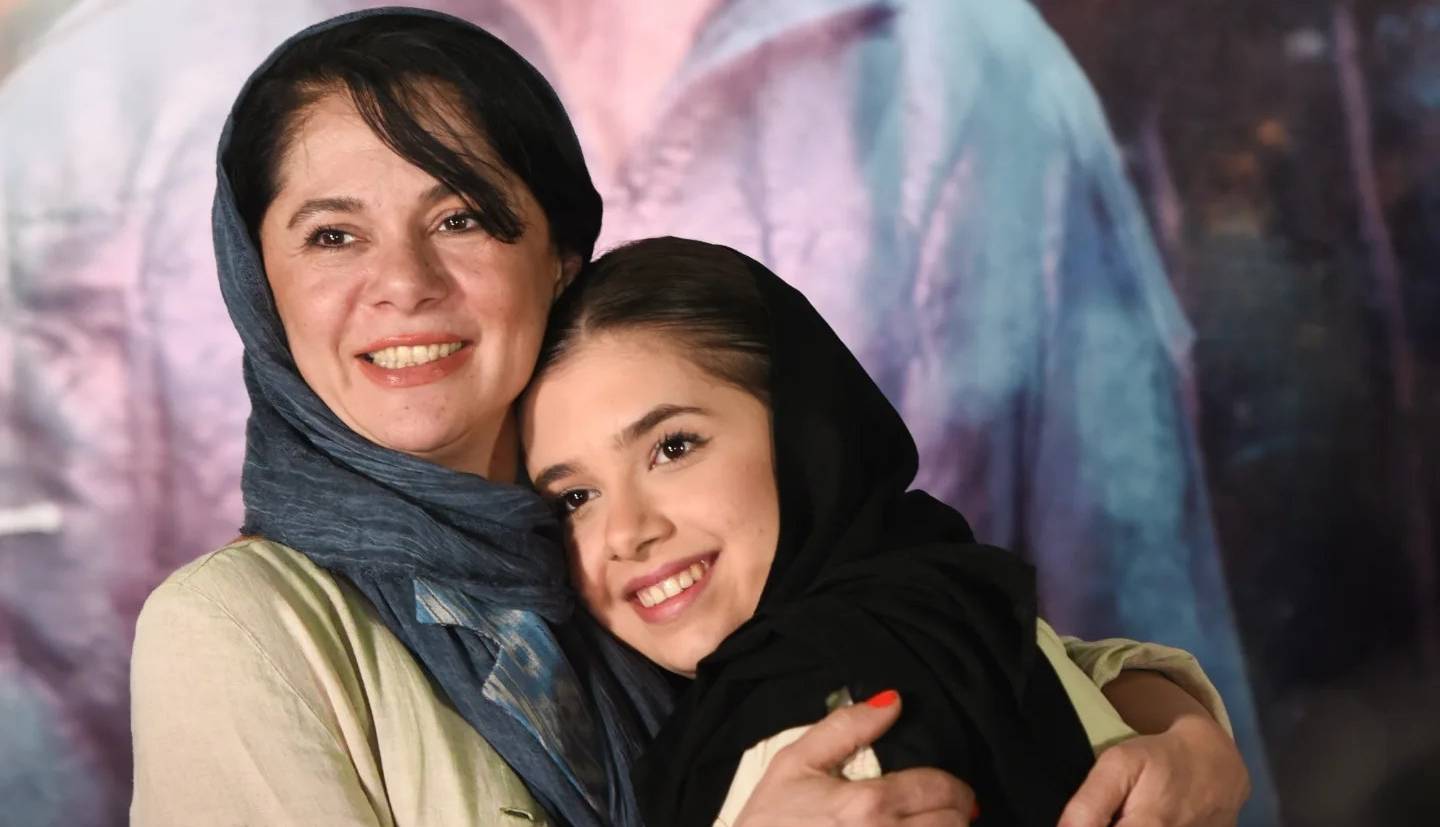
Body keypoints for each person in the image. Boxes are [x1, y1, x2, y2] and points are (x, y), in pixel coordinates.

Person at [128, 9, 1252, 827]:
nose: (403, 284)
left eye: (461, 216)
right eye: (332, 235)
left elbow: (947, 633)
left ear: (559, 254)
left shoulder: (617, 555)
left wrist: (1178, 725)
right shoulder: (237, 632)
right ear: (259, 286)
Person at [521, 236, 1251, 826]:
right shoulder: (947, 604)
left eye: (673, 447)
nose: (627, 532)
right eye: (575, 497)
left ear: (804, 431)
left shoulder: (822, 732)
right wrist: (1181, 715)